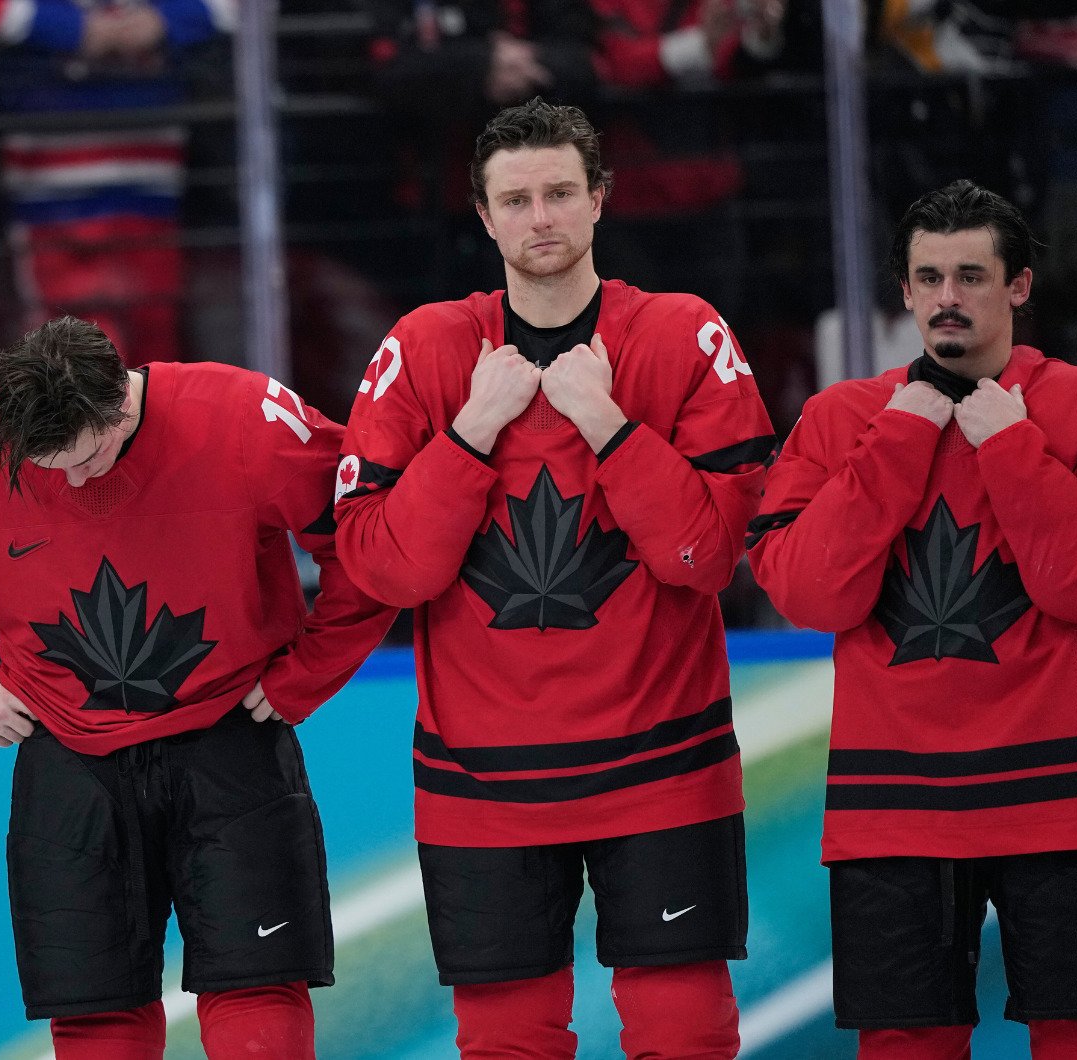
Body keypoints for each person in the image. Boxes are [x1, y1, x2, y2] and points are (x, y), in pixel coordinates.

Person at [333, 98, 777, 1058]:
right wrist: (470, 433)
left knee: (685, 1034)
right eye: (517, 198)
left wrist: (611, 427)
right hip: (481, 779)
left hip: (664, 767)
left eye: (561, 194)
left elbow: (705, 558)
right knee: (505, 1042)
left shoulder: (681, 334)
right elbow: (384, 569)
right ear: (484, 217)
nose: (541, 218)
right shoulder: (424, 348)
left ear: (600, 201)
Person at [0, 316, 398, 1059]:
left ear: (122, 404)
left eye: (85, 457)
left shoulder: (245, 419)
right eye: (44, 466)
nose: (70, 482)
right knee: (95, 1004)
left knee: (258, 984)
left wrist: (310, 669)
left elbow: (368, 537)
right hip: (67, 751)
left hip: (229, 734)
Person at [748, 180, 1077, 1058]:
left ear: (1018, 287)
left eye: (972, 275)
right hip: (891, 803)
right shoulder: (842, 420)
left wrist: (1010, 444)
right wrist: (900, 438)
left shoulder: (1072, 405)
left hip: (1060, 799)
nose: (947, 298)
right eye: (928, 277)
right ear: (902, 289)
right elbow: (814, 596)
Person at [0, 0, 232, 365]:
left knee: (157, 353)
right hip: (53, 203)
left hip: (151, 193)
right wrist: (72, 28)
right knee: (71, 367)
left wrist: (163, 21)